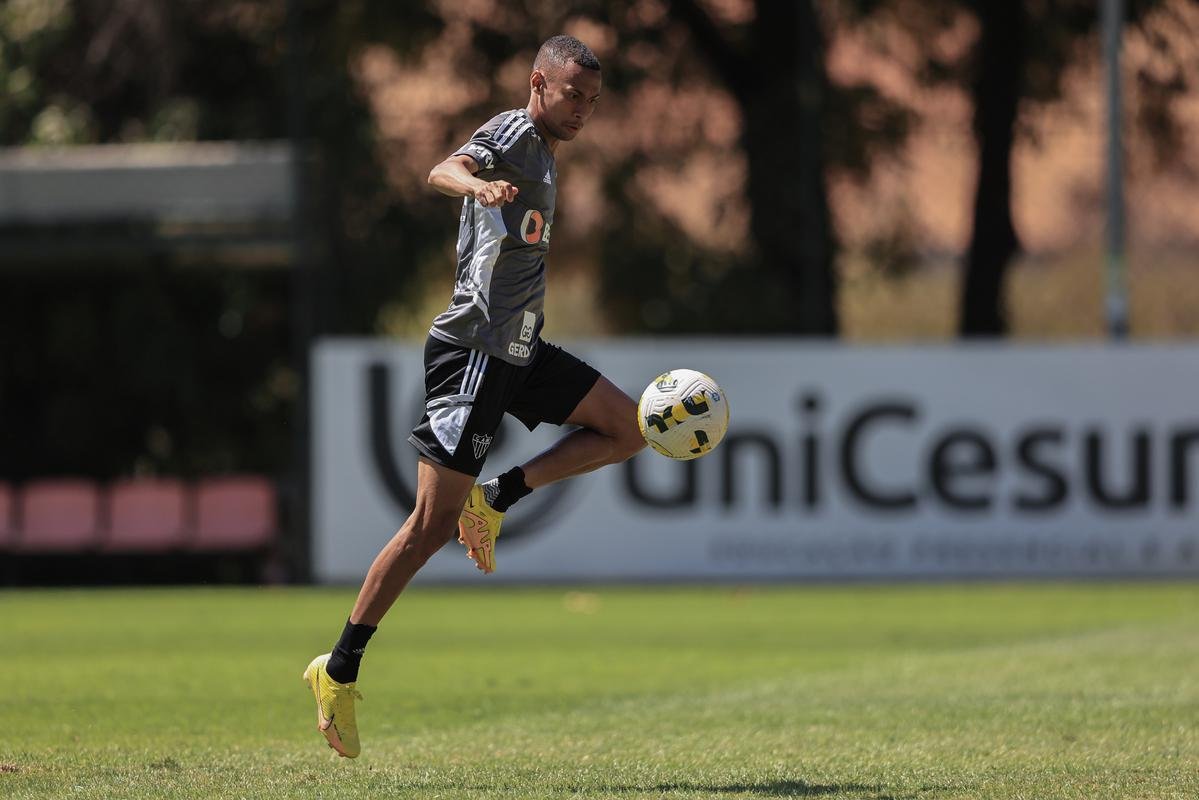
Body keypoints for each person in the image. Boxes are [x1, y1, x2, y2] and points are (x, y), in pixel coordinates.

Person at [302, 34, 644, 758]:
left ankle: (499, 496)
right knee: (429, 526)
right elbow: (443, 168)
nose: (582, 110)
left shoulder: (545, 151)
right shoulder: (514, 133)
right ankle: (338, 669)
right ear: (537, 83)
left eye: (591, 101)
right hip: (475, 352)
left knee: (630, 428)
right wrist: (476, 186)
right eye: (572, 95)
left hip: (521, 348)